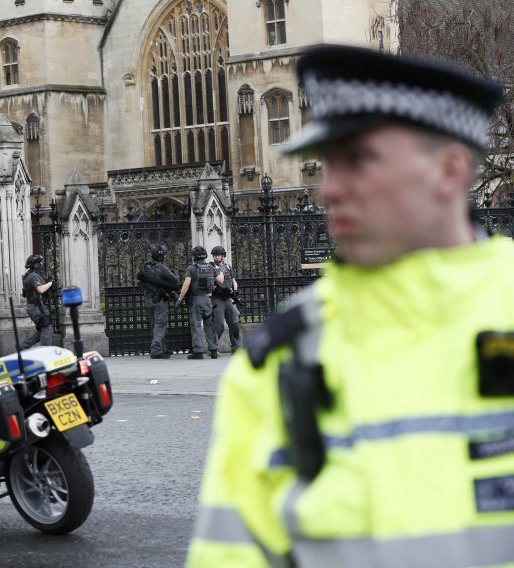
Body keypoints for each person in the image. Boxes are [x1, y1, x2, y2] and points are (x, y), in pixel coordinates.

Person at [187, 45, 514, 567]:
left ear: (450, 169)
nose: (328, 189)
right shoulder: (280, 360)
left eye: (358, 159)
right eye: (328, 162)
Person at [175, 246, 223, 359]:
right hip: (208, 300)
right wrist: (221, 273)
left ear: (195, 256)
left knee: (196, 325)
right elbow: (220, 281)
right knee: (209, 325)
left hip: (196, 300)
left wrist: (179, 299)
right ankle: (214, 350)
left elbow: (186, 285)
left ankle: (198, 351)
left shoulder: (191, 268)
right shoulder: (211, 267)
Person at [138, 245, 180, 359]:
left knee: (154, 324)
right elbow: (174, 280)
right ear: (161, 256)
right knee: (160, 324)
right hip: (159, 299)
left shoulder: (146, 266)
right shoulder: (161, 267)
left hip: (149, 299)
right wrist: (175, 273)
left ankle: (162, 348)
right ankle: (156, 350)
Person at [209, 245, 240, 352]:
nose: (216, 257)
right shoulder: (210, 267)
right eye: (215, 255)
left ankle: (236, 347)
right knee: (219, 324)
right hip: (217, 297)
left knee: (234, 322)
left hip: (228, 298)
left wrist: (235, 292)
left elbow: (233, 280)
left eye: (218, 255)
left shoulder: (228, 266)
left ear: (223, 256)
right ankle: (213, 348)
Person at [21, 254, 54, 349]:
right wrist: (50, 283)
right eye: (39, 263)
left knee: (43, 330)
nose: (40, 265)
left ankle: (22, 347)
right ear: (35, 265)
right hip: (36, 307)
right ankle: (44, 353)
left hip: (36, 306)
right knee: (47, 328)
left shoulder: (32, 275)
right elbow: (40, 289)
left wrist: (48, 283)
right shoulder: (33, 276)